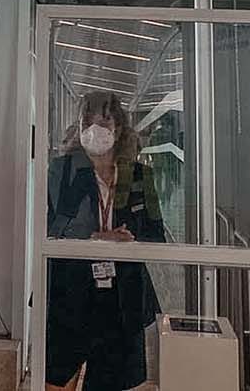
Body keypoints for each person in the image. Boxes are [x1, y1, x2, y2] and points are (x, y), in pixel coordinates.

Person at [45, 91, 166, 391]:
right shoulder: (63, 171)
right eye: (88, 119)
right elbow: (51, 228)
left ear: (120, 128)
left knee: (113, 380)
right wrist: (96, 238)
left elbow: (157, 235)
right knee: (57, 379)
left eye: (104, 119)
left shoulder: (139, 176)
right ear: (78, 125)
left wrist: (130, 239)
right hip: (71, 293)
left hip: (123, 299)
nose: (95, 127)